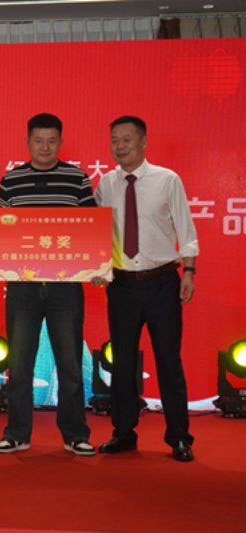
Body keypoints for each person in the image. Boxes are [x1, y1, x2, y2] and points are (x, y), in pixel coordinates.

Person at [0, 113, 96, 456]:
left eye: (51, 141)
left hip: (65, 287)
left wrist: (98, 266)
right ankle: (17, 433)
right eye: (38, 140)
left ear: (60, 142)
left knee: (70, 365)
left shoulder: (77, 179)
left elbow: (91, 229)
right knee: (19, 366)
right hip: (23, 288)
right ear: (27, 142)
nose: (45, 147)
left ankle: (75, 434)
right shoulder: (11, 180)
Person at [94, 116, 199, 462]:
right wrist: (95, 267)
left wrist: (189, 271)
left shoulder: (167, 179)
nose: (120, 146)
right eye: (114, 140)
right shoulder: (106, 184)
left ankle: (179, 437)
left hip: (162, 282)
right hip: (122, 285)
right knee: (122, 363)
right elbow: (95, 231)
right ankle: (123, 433)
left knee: (168, 360)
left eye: (127, 139)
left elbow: (185, 228)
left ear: (143, 142)